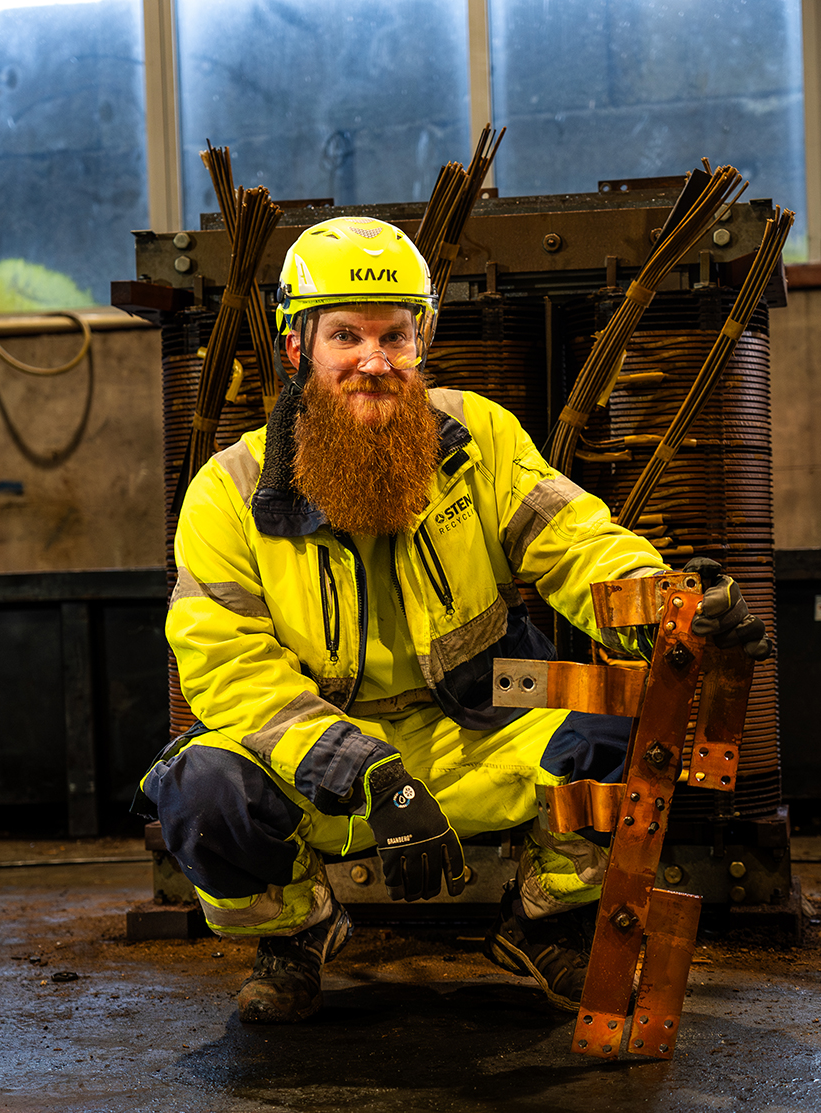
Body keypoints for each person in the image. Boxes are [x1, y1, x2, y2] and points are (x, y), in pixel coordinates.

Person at [140, 216, 771, 1025]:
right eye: (346, 336)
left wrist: (667, 606)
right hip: (322, 754)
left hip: (480, 718)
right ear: (298, 347)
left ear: (423, 340)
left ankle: (545, 920)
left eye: (394, 336)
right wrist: (363, 771)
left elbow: (576, 543)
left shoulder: (478, 439)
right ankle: (294, 934)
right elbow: (229, 669)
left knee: (632, 721)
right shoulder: (227, 492)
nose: (374, 362)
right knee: (202, 789)